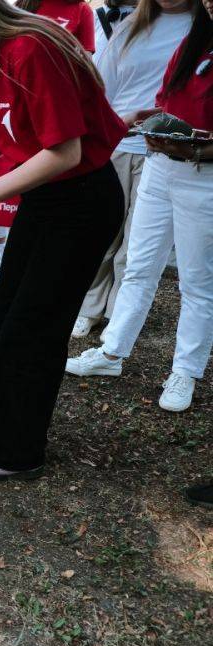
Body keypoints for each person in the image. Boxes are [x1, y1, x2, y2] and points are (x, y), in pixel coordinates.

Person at [0, 0, 127, 480]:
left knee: (33, 327)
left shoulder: (30, 48)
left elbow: (65, 151)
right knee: (5, 316)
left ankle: (18, 451)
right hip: (47, 196)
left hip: (82, 201)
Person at [66, 0, 213, 413]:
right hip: (161, 166)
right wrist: (156, 128)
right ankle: (112, 352)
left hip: (203, 178)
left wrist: (201, 146)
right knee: (139, 264)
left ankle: (185, 370)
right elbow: (167, 98)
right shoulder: (193, 38)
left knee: (197, 281)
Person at [72, 0, 194, 339]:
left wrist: (151, 115)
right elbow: (101, 85)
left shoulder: (199, 28)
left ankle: (118, 316)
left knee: (136, 248)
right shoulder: (129, 26)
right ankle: (89, 306)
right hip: (115, 144)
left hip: (161, 151)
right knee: (101, 234)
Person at [0, 0, 96, 291]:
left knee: (32, 307)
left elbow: (66, 153)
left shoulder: (33, 46)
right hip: (39, 182)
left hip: (72, 186)